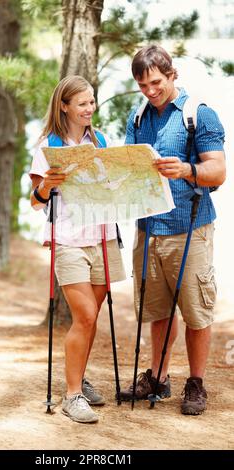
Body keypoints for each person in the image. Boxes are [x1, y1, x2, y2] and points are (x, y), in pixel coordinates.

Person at [120, 45, 226, 415]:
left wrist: (186, 170)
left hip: (191, 227)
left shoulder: (199, 115)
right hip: (148, 229)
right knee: (159, 310)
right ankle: (158, 377)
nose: (150, 91)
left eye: (155, 82)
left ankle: (196, 383)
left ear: (172, 74)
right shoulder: (137, 119)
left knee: (196, 311)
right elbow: (130, 168)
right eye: (142, 85)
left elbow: (218, 172)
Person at [29, 75, 126, 423]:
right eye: (83, 103)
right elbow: (36, 202)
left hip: (103, 236)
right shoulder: (48, 145)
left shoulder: (100, 140)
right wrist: (48, 187)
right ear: (65, 106)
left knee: (92, 317)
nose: (90, 108)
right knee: (83, 315)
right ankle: (71, 397)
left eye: (92, 101)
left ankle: (79, 378)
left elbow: (114, 187)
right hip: (69, 239)